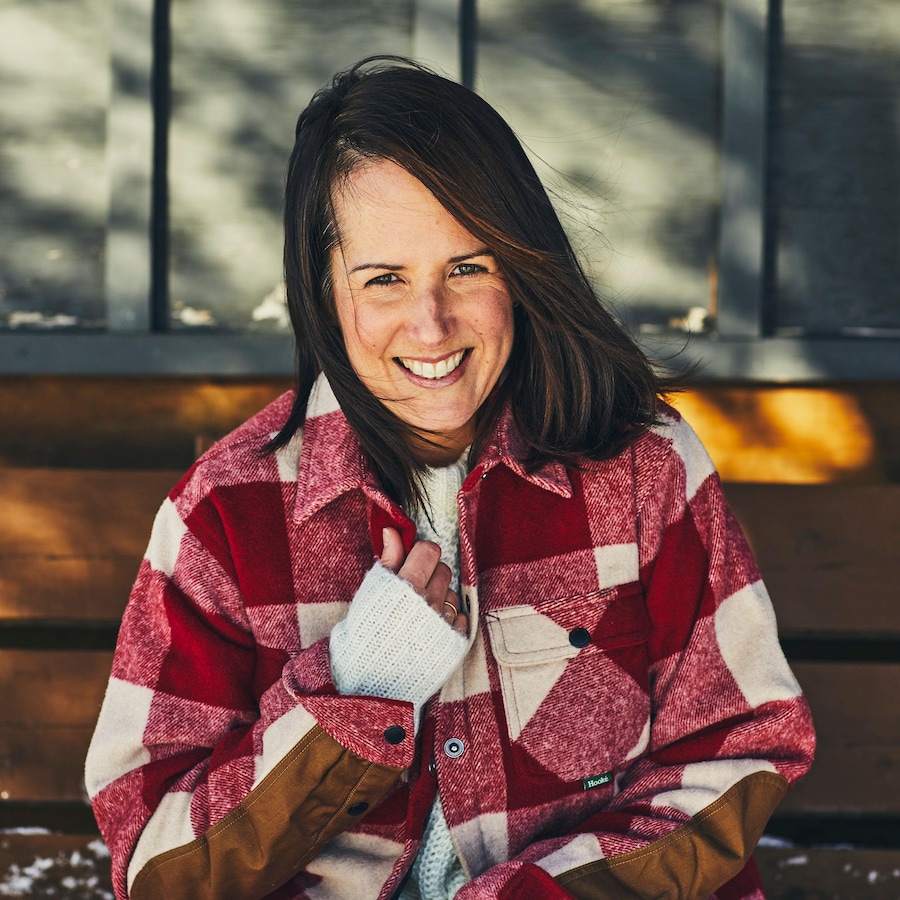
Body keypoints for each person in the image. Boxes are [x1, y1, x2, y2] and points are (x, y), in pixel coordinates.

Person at [85, 56, 815, 899]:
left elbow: (743, 744)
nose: (430, 325)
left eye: (467, 267)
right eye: (384, 279)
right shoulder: (222, 515)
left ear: (520, 266)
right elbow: (156, 867)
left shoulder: (641, 466)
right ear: (325, 293)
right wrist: (359, 684)